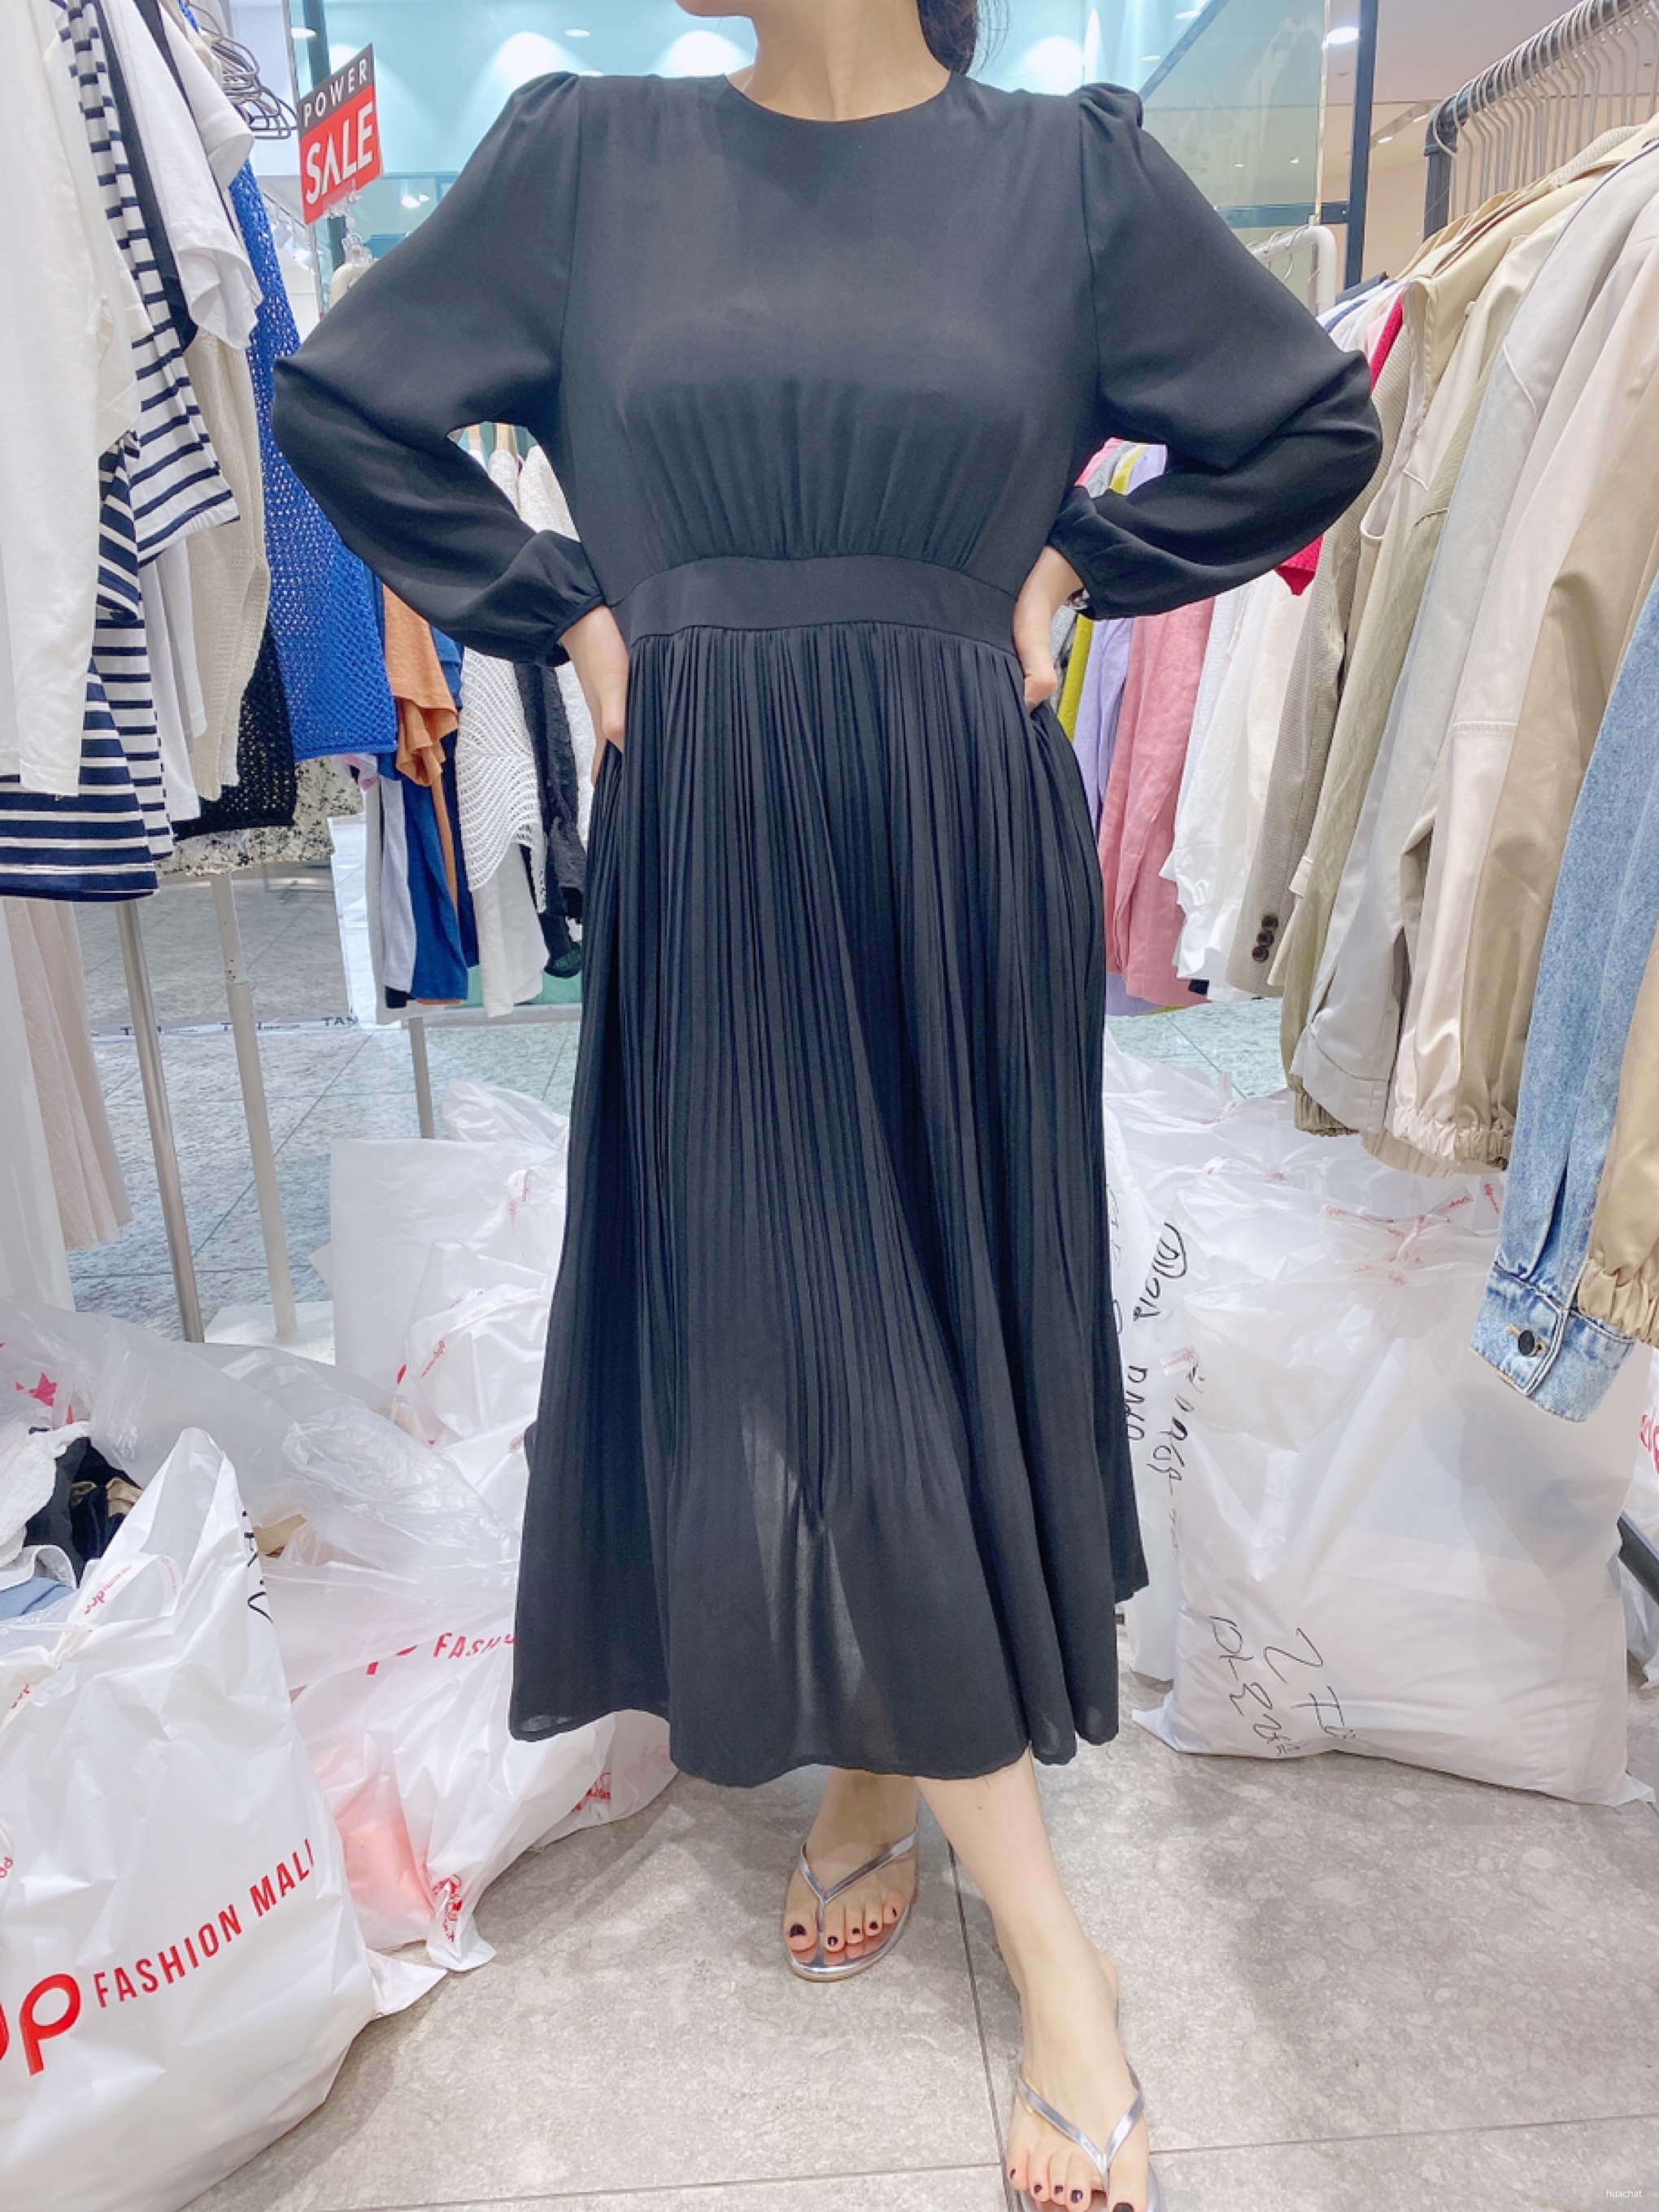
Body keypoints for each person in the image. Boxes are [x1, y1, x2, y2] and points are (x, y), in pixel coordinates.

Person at [273, 2, 1379, 2201]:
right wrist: (569, 617)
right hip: (713, 815)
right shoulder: (585, 163)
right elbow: (347, 401)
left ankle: (926, 1801)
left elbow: (1307, 423)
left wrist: (1071, 564)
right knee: (799, 1319)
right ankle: (1040, 1928)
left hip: (956, 827)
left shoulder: (1071, 176)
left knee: (918, 1313)